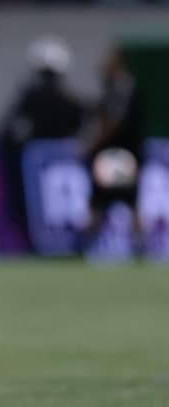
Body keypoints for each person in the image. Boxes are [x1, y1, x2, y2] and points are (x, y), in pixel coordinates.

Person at [0, 34, 85, 247]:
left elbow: (9, 128)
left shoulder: (34, 98)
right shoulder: (68, 100)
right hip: (58, 160)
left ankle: (50, 242)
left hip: (46, 161)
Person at [81, 46, 146, 253]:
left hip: (118, 155)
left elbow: (112, 123)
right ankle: (88, 244)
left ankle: (139, 245)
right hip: (119, 154)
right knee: (106, 201)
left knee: (112, 200)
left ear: (118, 62)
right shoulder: (114, 87)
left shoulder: (122, 88)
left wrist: (94, 144)